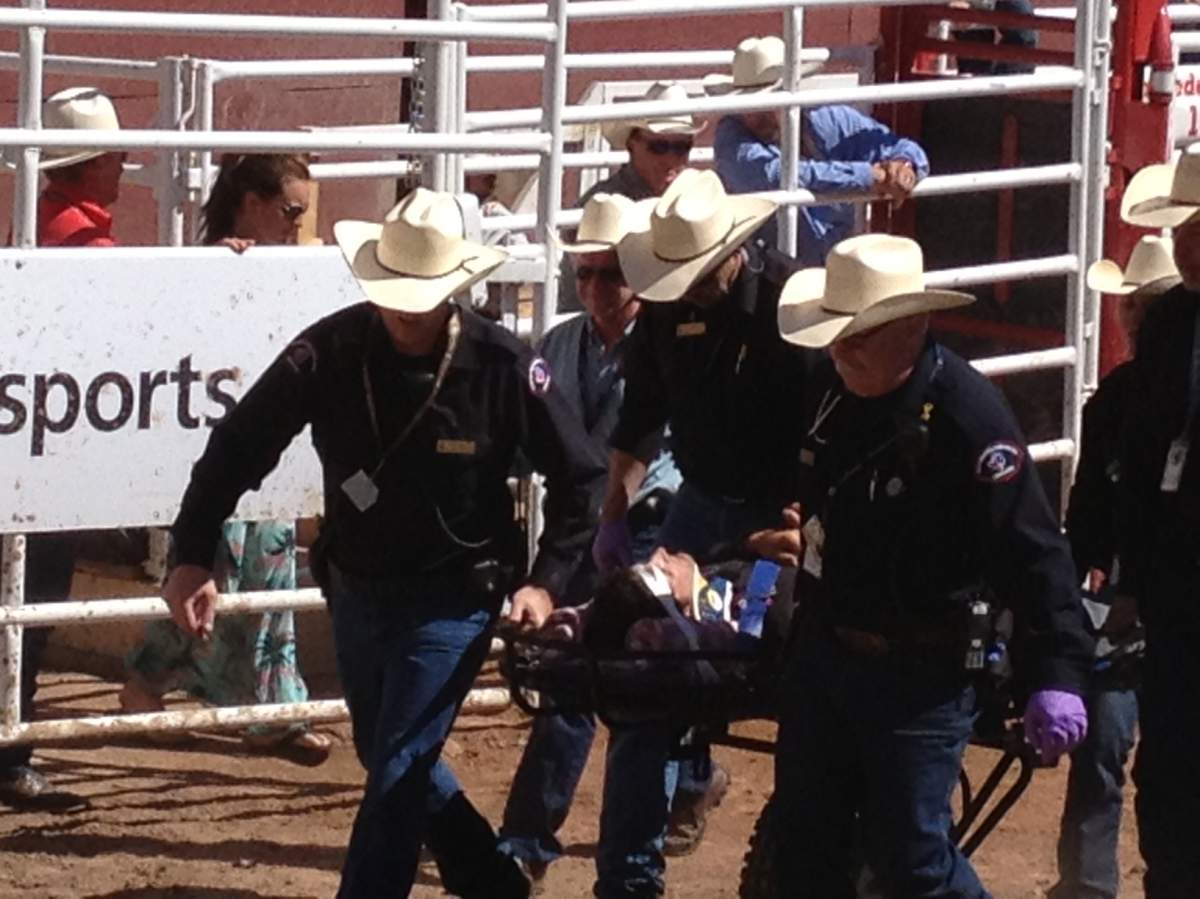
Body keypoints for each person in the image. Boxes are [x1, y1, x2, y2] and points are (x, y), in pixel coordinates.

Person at [159, 187, 606, 898]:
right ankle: (490, 879)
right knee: (390, 751)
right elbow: (241, 443)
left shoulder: (502, 364)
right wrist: (191, 551)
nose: (405, 306)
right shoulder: (329, 351)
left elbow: (582, 474)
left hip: (456, 594)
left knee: (398, 763)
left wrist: (545, 580)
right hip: (360, 585)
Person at [773, 233, 1092, 897]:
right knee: (803, 849)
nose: (841, 350)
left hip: (921, 670)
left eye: (858, 335)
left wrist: (1056, 670)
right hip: (828, 653)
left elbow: (1033, 549)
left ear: (913, 326)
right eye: (837, 335)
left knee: (912, 858)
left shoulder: (968, 420)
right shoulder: (832, 398)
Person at [590, 168, 814, 897]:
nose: (684, 287)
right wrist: (613, 517)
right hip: (701, 505)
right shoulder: (664, 312)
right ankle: (627, 877)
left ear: (732, 251)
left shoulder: (791, 304)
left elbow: (831, 422)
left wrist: (808, 521)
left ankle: (794, 845)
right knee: (647, 668)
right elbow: (641, 418)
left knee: (777, 664)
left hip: (781, 520)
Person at [120, 153, 332, 764]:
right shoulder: (213, 267)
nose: (297, 223)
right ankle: (166, 685)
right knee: (212, 565)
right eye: (290, 211)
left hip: (264, 443)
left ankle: (265, 707)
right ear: (253, 204)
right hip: (219, 444)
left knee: (257, 565)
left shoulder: (281, 269)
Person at [497, 193, 681, 890]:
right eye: (587, 275)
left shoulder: (660, 345)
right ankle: (526, 838)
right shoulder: (561, 345)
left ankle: (667, 801)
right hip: (590, 529)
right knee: (573, 682)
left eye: (611, 274)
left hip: (653, 529)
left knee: (646, 695)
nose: (598, 289)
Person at [0, 86, 131, 808]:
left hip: (36, 431)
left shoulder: (48, 223)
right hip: (53, 443)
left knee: (27, 594)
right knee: (35, 594)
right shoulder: (83, 239)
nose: (121, 163)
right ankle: (9, 750)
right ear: (90, 163)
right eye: (111, 154)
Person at [1048, 236, 1178, 899]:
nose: (1137, 318)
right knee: (1104, 743)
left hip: (1164, 604)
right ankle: (1088, 885)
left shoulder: (1143, 400)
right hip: (1132, 610)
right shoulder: (1113, 406)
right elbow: (1089, 512)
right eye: (1137, 306)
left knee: (1144, 753)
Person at [1112, 145, 1200, 898]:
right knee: (1168, 768)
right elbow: (1144, 460)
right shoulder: (1170, 325)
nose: (1186, 246)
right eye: (1183, 230)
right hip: (1176, 587)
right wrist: (1132, 576)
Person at [705, 36, 930, 264]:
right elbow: (775, 175)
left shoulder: (828, 119)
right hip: (767, 274)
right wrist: (869, 176)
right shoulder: (731, 138)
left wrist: (903, 165)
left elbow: (902, 147)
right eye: (750, 105)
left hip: (834, 270)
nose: (758, 114)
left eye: (769, 101)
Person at [559, 81, 704, 312]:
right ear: (632, 144)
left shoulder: (693, 198)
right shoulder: (600, 205)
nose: (671, 158)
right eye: (659, 146)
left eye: (682, 147)